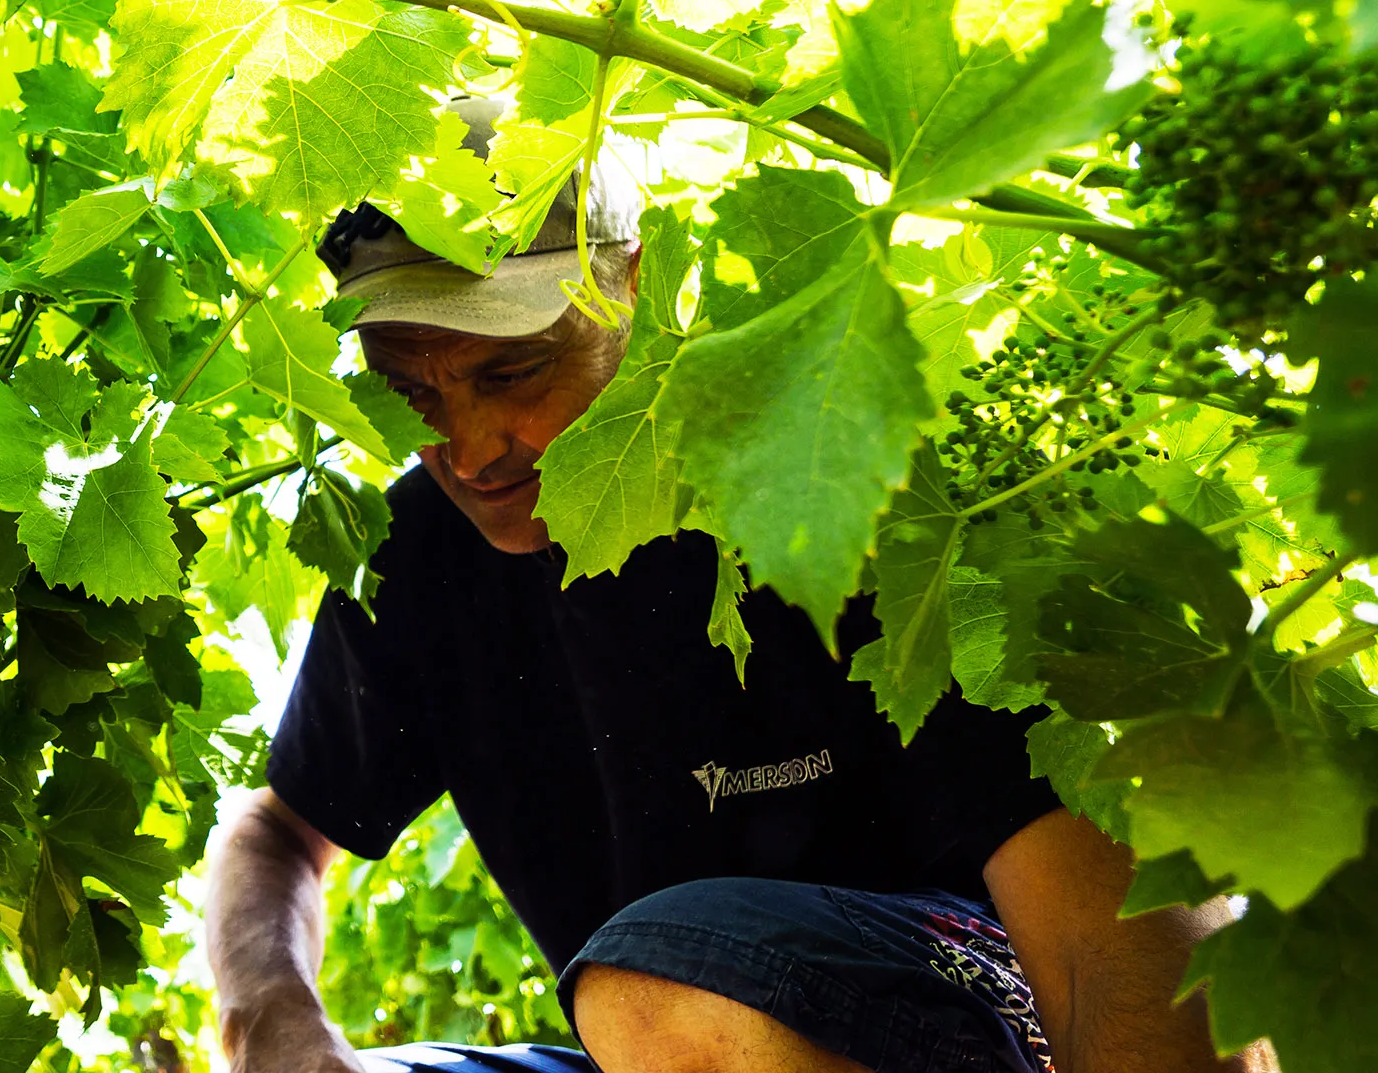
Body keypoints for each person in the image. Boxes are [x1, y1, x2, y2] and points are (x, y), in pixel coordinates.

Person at [204, 98, 1264, 1073]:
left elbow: (1125, 951)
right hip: (655, 1038)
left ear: (631, 282)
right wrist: (271, 1016)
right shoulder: (415, 556)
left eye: (512, 372)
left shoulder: (857, 485)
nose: (468, 448)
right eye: (407, 389)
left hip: (981, 1022)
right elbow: (277, 832)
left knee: (668, 976)